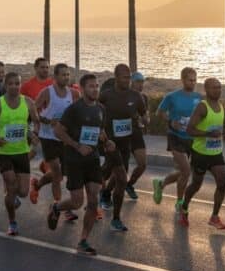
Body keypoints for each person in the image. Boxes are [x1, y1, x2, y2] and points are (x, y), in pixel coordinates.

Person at [47, 73, 106, 255]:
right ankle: (56, 207)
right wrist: (77, 145)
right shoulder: (74, 109)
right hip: (74, 160)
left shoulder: (101, 109)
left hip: (93, 159)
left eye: (97, 86)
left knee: (94, 200)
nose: (95, 89)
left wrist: (107, 140)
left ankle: (83, 241)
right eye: (91, 86)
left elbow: (100, 131)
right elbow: (58, 131)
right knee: (77, 202)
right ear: (81, 89)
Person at [0, 72, 41, 236]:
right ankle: (12, 222)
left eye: (17, 83)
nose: (15, 86)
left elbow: (35, 121)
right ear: (5, 86)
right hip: (4, 152)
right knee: (11, 184)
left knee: (22, 192)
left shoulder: (28, 102)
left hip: (22, 152)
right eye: (11, 84)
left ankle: (12, 194)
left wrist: (33, 134)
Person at [98, 63, 147, 232]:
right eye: (125, 77)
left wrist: (144, 120)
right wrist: (101, 134)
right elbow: (95, 114)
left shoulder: (136, 96)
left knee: (109, 172)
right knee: (121, 179)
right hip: (110, 143)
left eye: (129, 77)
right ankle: (116, 218)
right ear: (116, 77)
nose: (128, 80)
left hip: (126, 143)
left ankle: (100, 190)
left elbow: (143, 114)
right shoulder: (105, 96)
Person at [179, 78, 225, 230]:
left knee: (222, 183)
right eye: (214, 88)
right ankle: (184, 206)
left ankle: (214, 217)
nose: (217, 90)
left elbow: (219, 126)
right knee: (196, 185)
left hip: (216, 153)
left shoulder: (222, 106)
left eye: (219, 87)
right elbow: (190, 130)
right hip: (200, 153)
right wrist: (208, 134)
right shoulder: (202, 107)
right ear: (206, 90)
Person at [32, 63, 80, 219]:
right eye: (63, 75)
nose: (66, 77)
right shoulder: (47, 92)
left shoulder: (73, 93)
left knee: (60, 175)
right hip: (49, 138)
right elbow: (33, 111)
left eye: (68, 75)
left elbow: (76, 114)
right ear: (55, 76)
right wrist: (46, 121)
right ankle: (60, 207)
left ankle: (37, 184)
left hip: (64, 139)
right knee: (57, 173)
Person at [153, 67, 201, 210]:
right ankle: (180, 202)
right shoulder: (172, 96)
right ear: (183, 80)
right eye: (189, 80)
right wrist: (170, 121)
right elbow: (159, 112)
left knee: (182, 172)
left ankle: (160, 184)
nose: (192, 83)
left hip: (191, 138)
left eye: (194, 80)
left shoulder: (198, 97)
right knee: (186, 171)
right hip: (175, 137)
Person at [124, 71, 150, 200]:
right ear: (131, 82)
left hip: (136, 133)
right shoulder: (124, 95)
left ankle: (129, 185)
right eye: (138, 82)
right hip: (123, 134)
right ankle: (105, 192)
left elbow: (146, 117)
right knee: (121, 169)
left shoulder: (143, 97)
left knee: (143, 164)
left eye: (142, 82)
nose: (141, 85)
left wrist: (145, 120)